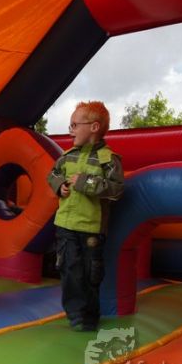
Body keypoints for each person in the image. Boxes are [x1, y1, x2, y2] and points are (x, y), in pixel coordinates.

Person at [47, 101, 124, 332]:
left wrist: (85, 182)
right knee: (69, 269)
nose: (70, 130)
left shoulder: (108, 159)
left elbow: (116, 189)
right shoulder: (67, 156)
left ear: (94, 127)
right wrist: (59, 185)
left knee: (91, 274)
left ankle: (89, 317)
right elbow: (52, 174)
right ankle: (76, 315)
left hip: (92, 228)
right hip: (65, 225)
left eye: (74, 125)